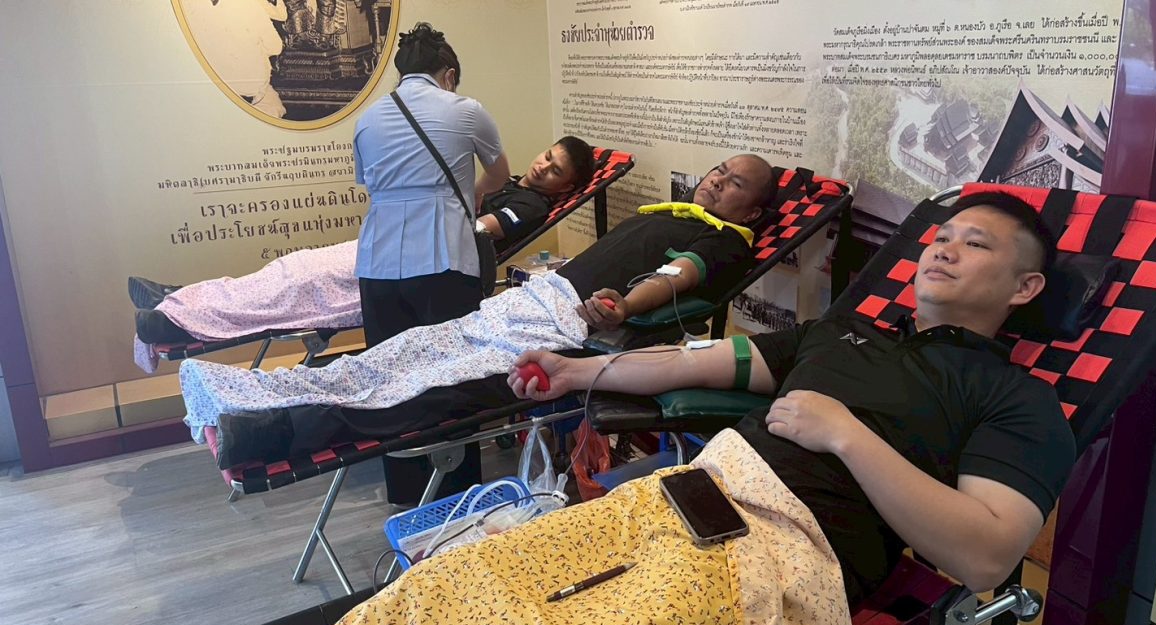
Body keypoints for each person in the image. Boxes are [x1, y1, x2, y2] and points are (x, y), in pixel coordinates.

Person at [329, 192, 1077, 625]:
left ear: (1025, 288)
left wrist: (848, 436)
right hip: (677, 498)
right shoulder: (842, 332)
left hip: (781, 552)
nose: (943, 250)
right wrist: (573, 370)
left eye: (975, 245)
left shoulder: (1015, 398)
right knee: (445, 587)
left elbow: (985, 556)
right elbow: (695, 362)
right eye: (941, 237)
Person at [182, 154, 778, 464]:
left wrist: (624, 305)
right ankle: (263, 391)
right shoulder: (670, 212)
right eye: (719, 171)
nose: (717, 182)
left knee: (435, 386)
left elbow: (678, 276)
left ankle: (274, 431)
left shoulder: (726, 240)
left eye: (735, 185)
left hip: (564, 327)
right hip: (533, 300)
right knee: (405, 351)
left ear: (751, 212)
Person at [130, 138, 594, 352]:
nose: (543, 167)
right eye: (547, 156)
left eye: (555, 170)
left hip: (417, 260)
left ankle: (174, 320)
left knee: (300, 282)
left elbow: (477, 230)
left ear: (566, 187)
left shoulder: (531, 205)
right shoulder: (509, 181)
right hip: (404, 244)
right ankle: (182, 297)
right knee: (293, 267)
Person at [354, 22, 511, 349]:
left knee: (387, 364)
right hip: (442, 257)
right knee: (451, 362)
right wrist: (476, 191)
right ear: (449, 76)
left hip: (376, 263)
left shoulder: (366, 120)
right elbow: (500, 175)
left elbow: (371, 185)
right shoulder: (467, 110)